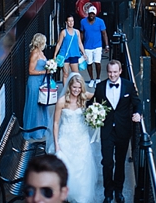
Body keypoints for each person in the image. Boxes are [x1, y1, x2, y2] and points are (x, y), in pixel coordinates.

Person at [93, 60, 141, 203]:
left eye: (115, 72)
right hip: (107, 130)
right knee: (107, 162)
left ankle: (118, 191)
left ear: (120, 71)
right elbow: (94, 103)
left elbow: (137, 103)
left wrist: (138, 114)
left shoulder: (128, 85)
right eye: (109, 72)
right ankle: (108, 193)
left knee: (120, 162)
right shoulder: (100, 87)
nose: (112, 75)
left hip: (123, 130)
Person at [52, 73, 100, 203]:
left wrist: (97, 112)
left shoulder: (83, 97)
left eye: (79, 88)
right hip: (66, 137)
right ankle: (68, 193)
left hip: (81, 137)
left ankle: (81, 196)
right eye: (74, 87)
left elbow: (99, 95)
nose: (76, 90)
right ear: (69, 86)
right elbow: (56, 123)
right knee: (67, 166)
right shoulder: (61, 102)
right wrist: (56, 143)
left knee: (82, 166)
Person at [23, 33, 51, 140]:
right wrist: (44, 71)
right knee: (34, 105)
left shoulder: (41, 52)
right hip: (34, 82)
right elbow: (31, 71)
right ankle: (33, 131)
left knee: (41, 104)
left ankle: (42, 128)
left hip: (41, 81)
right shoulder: (35, 54)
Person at [80, 6, 109, 88]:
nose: (91, 15)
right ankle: (92, 79)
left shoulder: (100, 21)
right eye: (90, 13)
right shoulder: (83, 22)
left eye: (93, 14)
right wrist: (80, 45)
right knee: (89, 63)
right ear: (88, 14)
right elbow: (82, 33)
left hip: (97, 45)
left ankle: (98, 78)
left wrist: (106, 45)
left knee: (97, 62)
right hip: (87, 46)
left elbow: (104, 33)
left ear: (95, 14)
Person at [53, 15, 87, 79]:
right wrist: (55, 55)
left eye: (72, 21)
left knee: (76, 74)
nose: (71, 23)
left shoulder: (77, 32)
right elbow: (59, 44)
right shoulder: (63, 32)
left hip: (74, 54)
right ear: (66, 22)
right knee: (65, 74)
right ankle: (65, 89)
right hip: (65, 55)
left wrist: (84, 53)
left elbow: (80, 43)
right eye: (69, 21)